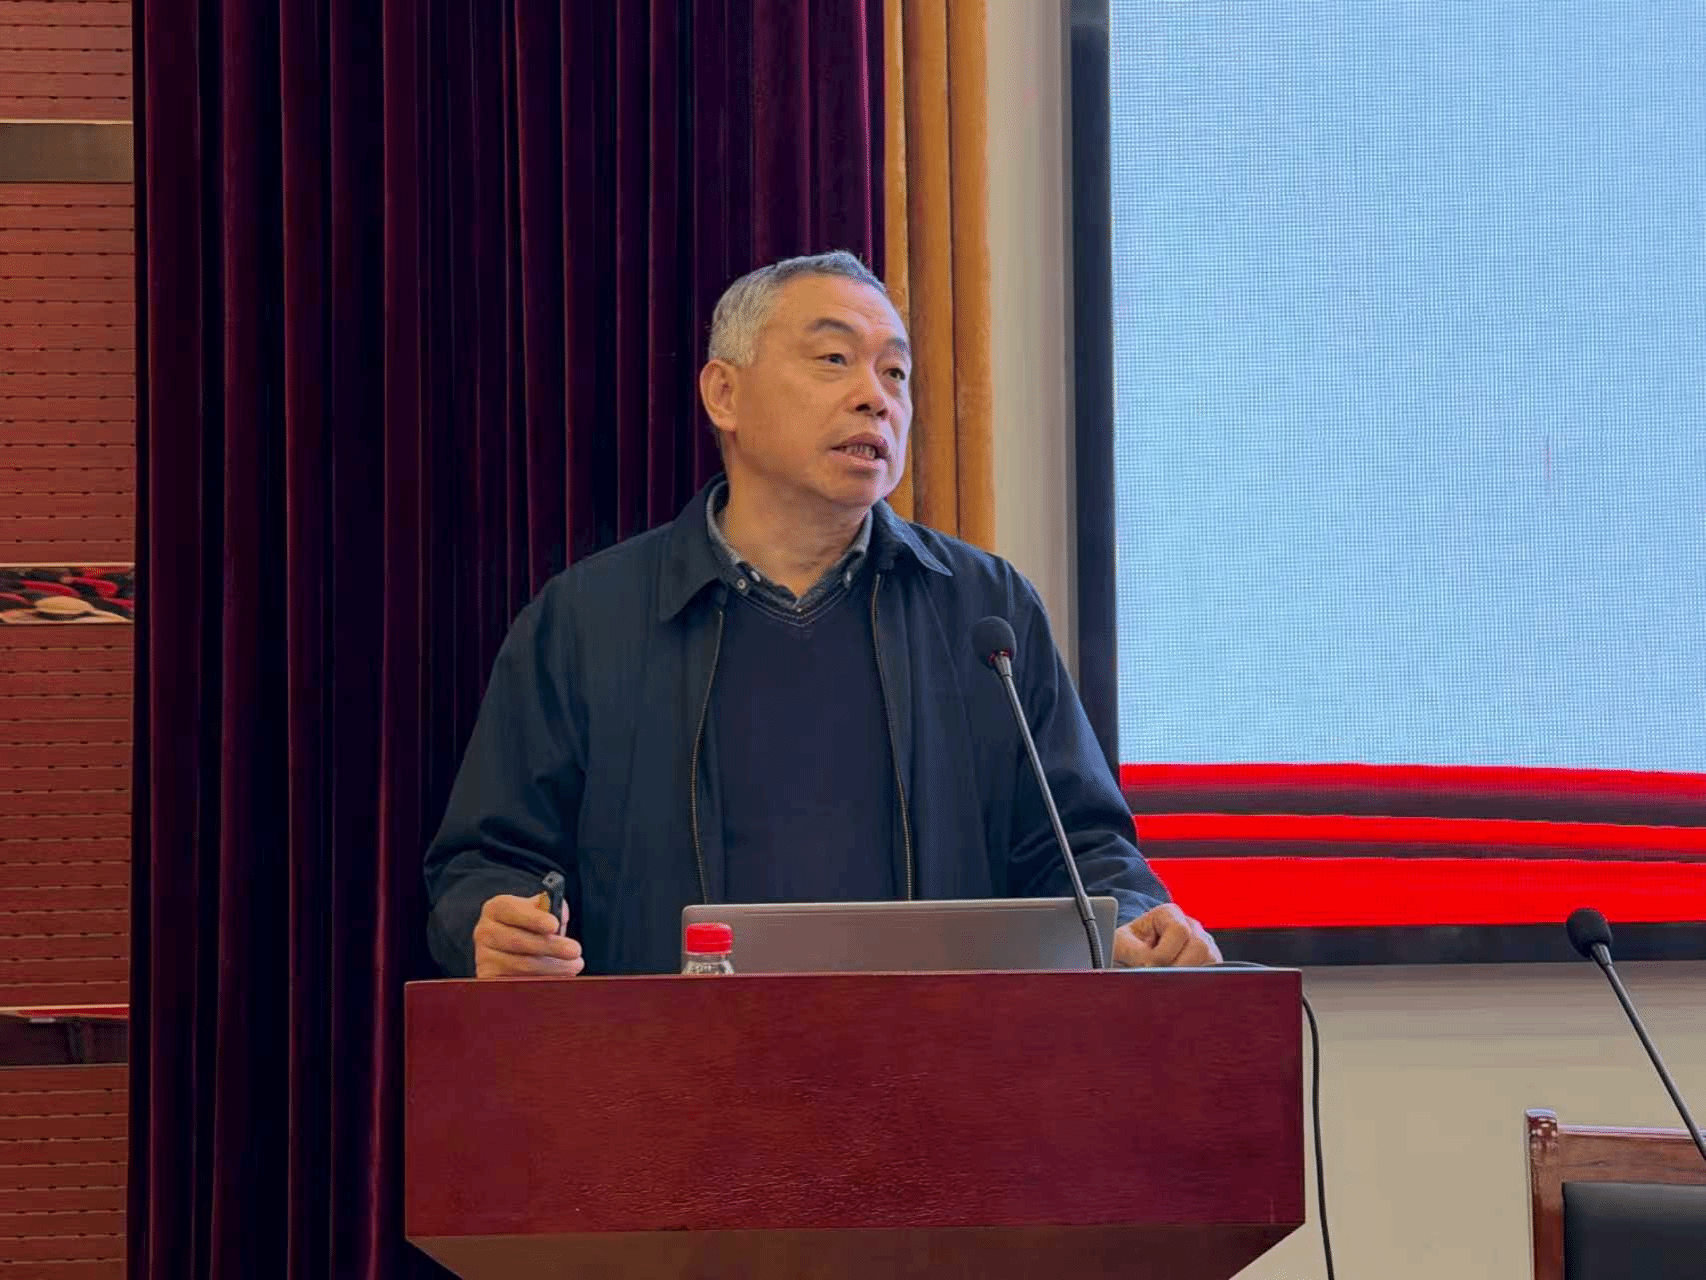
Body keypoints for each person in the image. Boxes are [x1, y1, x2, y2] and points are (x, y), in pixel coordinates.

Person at [423, 251, 1220, 978]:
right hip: (667, 1071)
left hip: (938, 1066)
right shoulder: (588, 621)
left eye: (895, 373)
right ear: (724, 394)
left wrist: (1137, 919)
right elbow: (487, 862)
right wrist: (492, 925)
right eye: (834, 359)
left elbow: (1079, 847)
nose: (875, 397)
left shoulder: (985, 613)